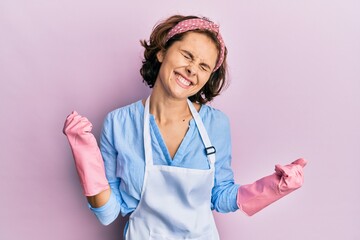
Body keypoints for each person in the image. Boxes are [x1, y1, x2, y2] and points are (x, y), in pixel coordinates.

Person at [63, 15, 307, 240]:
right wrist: (85, 156)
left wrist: (273, 187)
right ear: (161, 52)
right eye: (187, 55)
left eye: (203, 67)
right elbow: (108, 213)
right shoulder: (119, 123)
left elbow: (220, 195)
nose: (192, 69)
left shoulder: (216, 125)